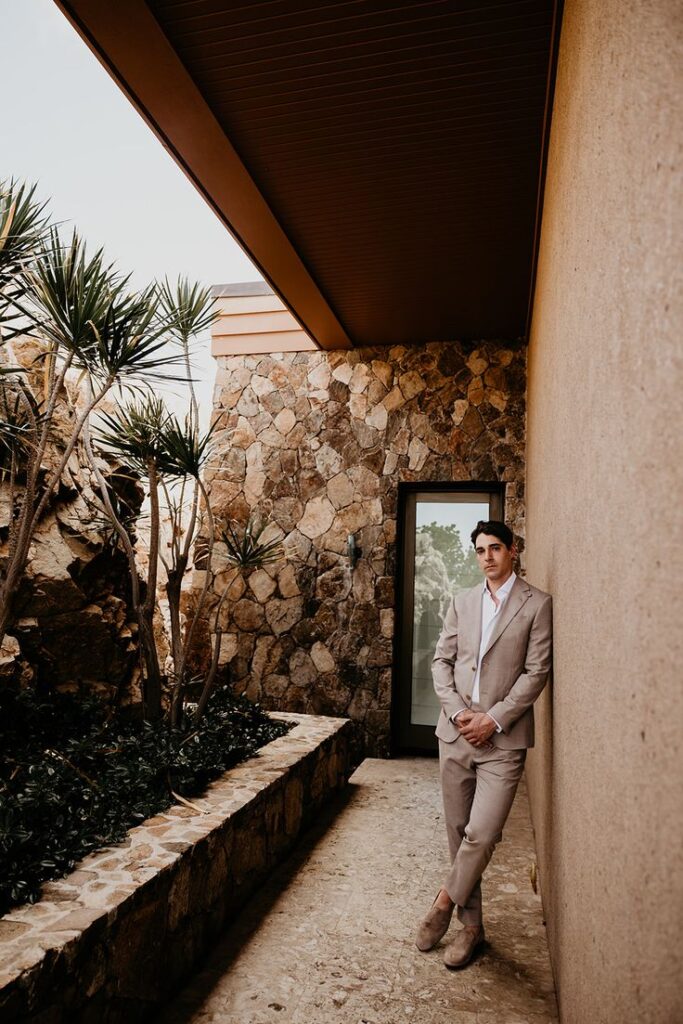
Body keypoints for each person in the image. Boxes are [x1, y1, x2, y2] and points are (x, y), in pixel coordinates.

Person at [415, 520, 552, 969]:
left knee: (484, 832)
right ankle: (472, 929)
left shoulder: (537, 604)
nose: (487, 557)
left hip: (504, 738)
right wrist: (459, 713)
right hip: (455, 733)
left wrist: (492, 719)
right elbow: (442, 661)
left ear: (513, 550)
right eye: (480, 550)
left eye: (495, 548)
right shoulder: (463, 601)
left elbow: (536, 672)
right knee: (458, 833)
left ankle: (443, 901)